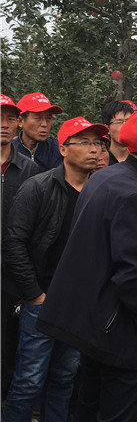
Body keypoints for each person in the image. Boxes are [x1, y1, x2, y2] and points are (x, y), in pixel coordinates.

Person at [35, 105, 137, 422]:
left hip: (93, 323)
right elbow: (132, 273)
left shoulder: (107, 178)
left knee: (89, 406)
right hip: (117, 330)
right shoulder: (133, 193)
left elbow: (112, 246)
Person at [2, 116, 109, 422]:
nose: (94, 150)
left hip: (79, 305)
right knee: (29, 381)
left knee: (64, 378)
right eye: (84, 142)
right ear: (63, 149)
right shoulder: (39, 187)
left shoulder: (103, 191)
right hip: (43, 301)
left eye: (98, 143)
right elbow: (13, 243)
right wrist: (35, 294)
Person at [0, 94, 39, 400]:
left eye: (10, 118)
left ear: (18, 123)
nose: (4, 124)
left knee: (9, 346)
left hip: (12, 276)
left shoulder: (29, 171)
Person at [12, 92, 63, 172]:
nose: (44, 124)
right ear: (20, 121)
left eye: (48, 118)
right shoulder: (9, 150)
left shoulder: (56, 150)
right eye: (38, 118)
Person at [100, 100, 136, 165]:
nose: (125, 126)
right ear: (107, 128)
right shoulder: (101, 161)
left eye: (128, 121)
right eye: (118, 122)